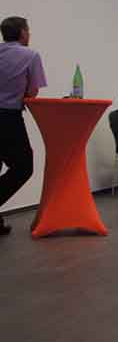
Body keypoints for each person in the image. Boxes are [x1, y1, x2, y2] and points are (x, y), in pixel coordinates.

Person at [0, 17, 47, 235]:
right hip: (8, 118)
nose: (29, 34)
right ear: (22, 33)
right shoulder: (31, 55)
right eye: (28, 30)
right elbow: (33, 92)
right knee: (24, 166)